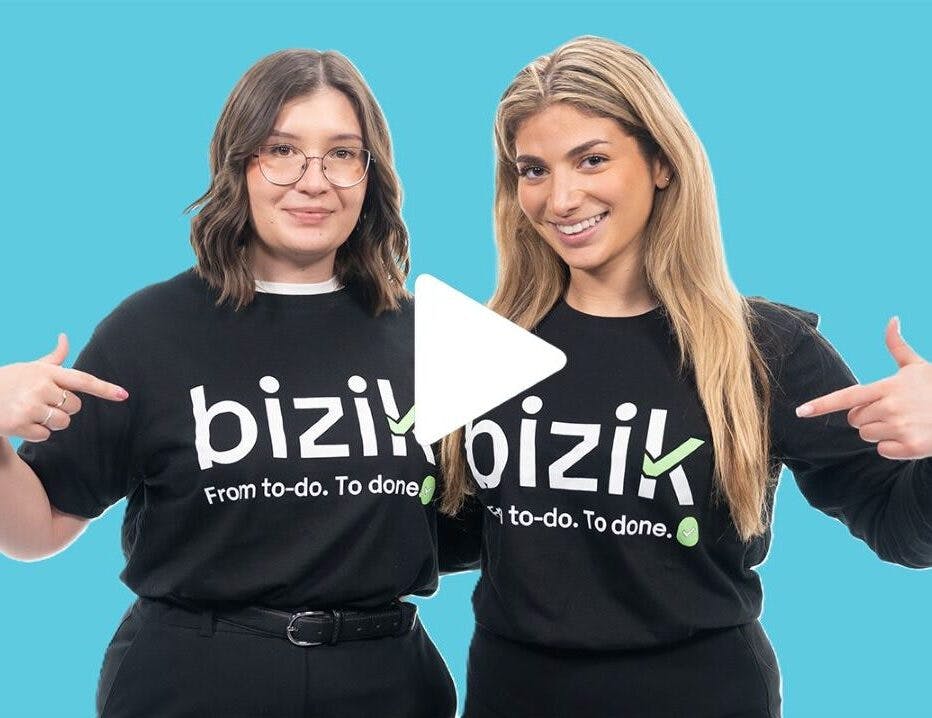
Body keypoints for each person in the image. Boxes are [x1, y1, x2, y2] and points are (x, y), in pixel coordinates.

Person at [440, 35, 932, 718]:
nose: (560, 197)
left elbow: (902, 531)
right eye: (533, 169)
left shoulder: (765, 349)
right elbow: (444, 538)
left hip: (701, 696)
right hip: (513, 694)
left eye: (592, 159)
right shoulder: (483, 345)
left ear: (662, 164)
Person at [0, 49, 457, 718]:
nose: (313, 180)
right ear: (237, 163)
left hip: (388, 683)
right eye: (282, 150)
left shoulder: (435, 339)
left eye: (341, 153)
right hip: (196, 682)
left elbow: (496, 526)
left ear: (371, 174)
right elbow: (35, 532)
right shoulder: (149, 331)